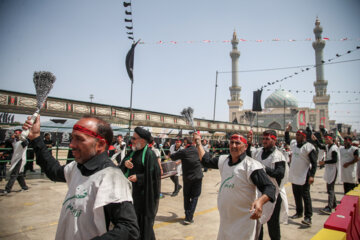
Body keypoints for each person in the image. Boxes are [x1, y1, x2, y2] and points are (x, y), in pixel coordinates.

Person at [23, 114, 139, 240]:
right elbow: (54, 171)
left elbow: (129, 230)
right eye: (72, 138)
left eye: (79, 139)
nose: (71, 145)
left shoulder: (112, 178)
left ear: (100, 145)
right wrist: (35, 138)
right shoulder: (76, 166)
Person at [193, 132, 275, 240]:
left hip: (244, 221)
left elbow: (270, 187)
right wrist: (198, 142)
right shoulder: (223, 161)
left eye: (237, 143)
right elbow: (206, 161)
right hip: (226, 221)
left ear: (245, 147)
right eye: (231, 143)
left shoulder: (251, 166)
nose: (233, 146)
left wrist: (260, 201)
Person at [120, 127, 161, 240]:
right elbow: (121, 166)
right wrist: (125, 163)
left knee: (144, 227)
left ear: (142, 140)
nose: (131, 141)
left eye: (134, 138)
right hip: (131, 196)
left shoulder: (149, 155)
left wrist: (139, 177)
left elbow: (155, 176)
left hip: (143, 199)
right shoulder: (133, 152)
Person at [254, 130, 287, 240]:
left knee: (273, 226)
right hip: (258, 194)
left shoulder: (278, 156)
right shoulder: (258, 153)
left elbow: (280, 174)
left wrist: (263, 169)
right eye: (263, 139)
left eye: (267, 139)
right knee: (258, 225)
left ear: (274, 140)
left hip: (273, 196)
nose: (264, 141)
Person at [285, 123, 317, 226]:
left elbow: (314, 162)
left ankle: (308, 217)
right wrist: (287, 131)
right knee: (296, 195)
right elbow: (287, 141)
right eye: (296, 135)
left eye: (299, 135)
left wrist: (312, 175)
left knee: (306, 196)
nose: (296, 136)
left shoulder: (309, 147)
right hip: (295, 175)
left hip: (304, 175)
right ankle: (299, 212)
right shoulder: (294, 144)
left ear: (303, 136)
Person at [170, 137, 203, 225]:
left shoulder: (183, 151)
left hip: (188, 178)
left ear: (185, 143)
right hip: (198, 177)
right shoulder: (197, 150)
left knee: (187, 196)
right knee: (195, 196)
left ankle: (187, 216)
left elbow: (172, 157)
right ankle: (189, 217)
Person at [312, 133, 339, 215]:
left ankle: (329, 207)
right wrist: (316, 140)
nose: (326, 140)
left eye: (327, 139)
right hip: (329, 169)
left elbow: (334, 160)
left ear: (332, 139)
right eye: (325, 139)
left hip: (333, 169)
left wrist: (324, 162)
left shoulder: (334, 148)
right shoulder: (328, 146)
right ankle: (333, 204)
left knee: (330, 188)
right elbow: (320, 146)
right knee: (330, 187)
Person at [4, 129, 29, 194]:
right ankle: (24, 187)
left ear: (20, 134)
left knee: (14, 174)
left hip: (20, 159)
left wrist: (22, 138)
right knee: (19, 174)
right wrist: (11, 137)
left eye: (16, 133)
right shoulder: (14, 141)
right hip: (14, 159)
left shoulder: (23, 141)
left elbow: (26, 143)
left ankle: (8, 189)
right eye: (14, 133)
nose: (15, 134)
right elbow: (6, 141)